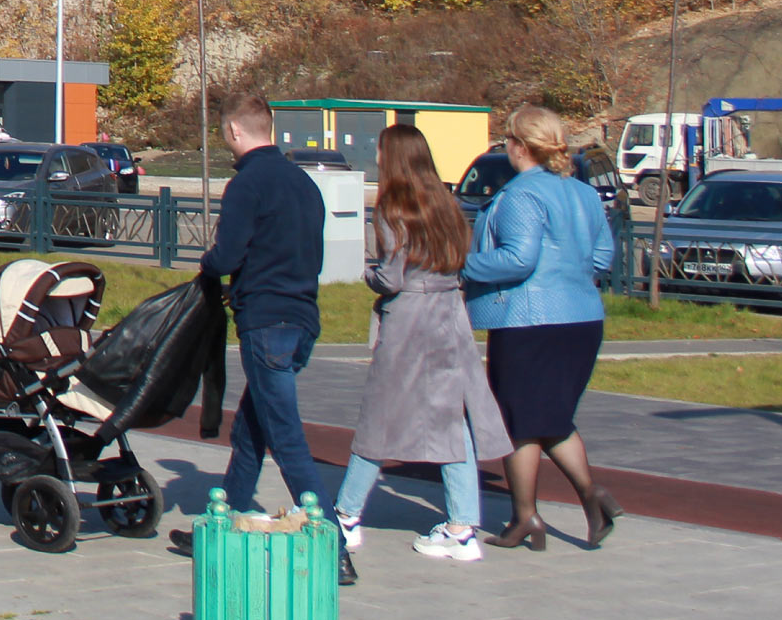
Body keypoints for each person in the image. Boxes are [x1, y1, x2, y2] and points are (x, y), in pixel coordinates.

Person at [334, 124, 507, 562]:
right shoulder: (446, 203)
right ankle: (462, 527)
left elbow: (391, 277)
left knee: (380, 416)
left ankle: (347, 513)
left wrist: (368, 274)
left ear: (392, 158)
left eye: (380, 150)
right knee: (453, 421)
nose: (376, 156)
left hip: (409, 318)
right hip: (449, 315)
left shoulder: (392, 207)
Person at [464, 103, 622, 551]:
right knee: (548, 418)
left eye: (508, 140)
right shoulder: (585, 194)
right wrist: (569, 276)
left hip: (528, 320)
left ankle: (534, 513)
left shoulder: (520, 195)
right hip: (582, 318)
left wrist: (464, 264)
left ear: (518, 146)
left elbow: (519, 259)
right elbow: (602, 257)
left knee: (519, 420)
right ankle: (561, 504)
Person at [194, 95, 333, 539]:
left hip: (266, 321)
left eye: (225, 133)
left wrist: (208, 264)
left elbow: (227, 256)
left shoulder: (247, 184)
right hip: (303, 318)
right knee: (251, 429)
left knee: (286, 437)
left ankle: (332, 542)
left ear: (234, 130)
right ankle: (225, 524)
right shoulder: (303, 183)